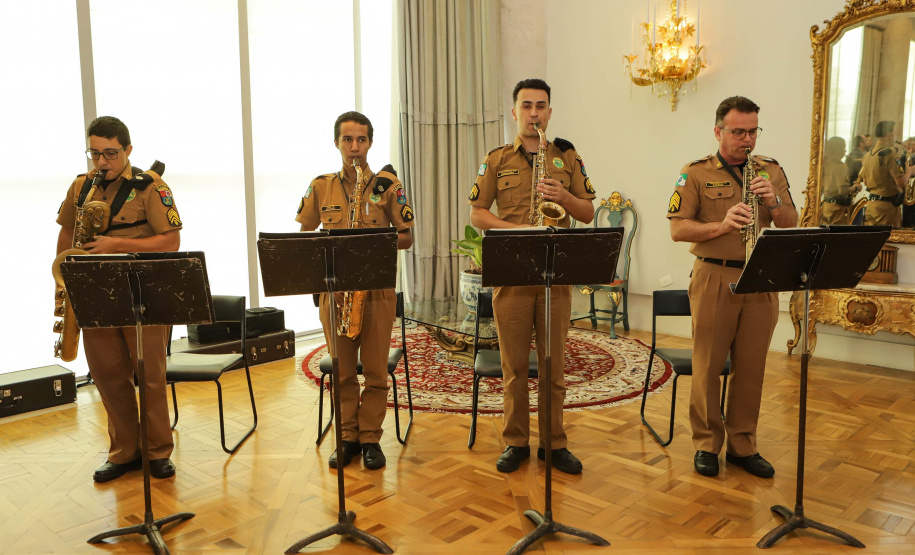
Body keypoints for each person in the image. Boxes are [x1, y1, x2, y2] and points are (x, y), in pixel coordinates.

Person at [469, 78, 596, 475]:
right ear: (514, 112)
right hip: (511, 273)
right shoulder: (496, 159)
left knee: (553, 367)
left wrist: (564, 197)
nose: (534, 113)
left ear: (550, 112)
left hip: (556, 274)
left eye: (541, 106)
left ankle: (554, 444)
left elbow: (587, 213)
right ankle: (516, 442)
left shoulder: (567, 156)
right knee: (514, 368)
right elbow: (477, 214)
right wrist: (518, 230)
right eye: (527, 106)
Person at [667, 96, 797, 478]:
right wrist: (722, 225)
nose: (747, 140)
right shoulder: (695, 172)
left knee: (752, 367)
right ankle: (707, 444)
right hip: (714, 275)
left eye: (753, 131)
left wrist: (774, 201)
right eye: (738, 132)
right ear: (718, 131)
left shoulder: (771, 170)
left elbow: (790, 222)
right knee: (707, 365)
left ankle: (743, 445)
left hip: (760, 276)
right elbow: (678, 229)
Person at [56, 116, 182, 482]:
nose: (102, 161)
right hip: (94, 295)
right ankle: (124, 451)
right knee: (108, 376)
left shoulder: (151, 186)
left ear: (127, 150)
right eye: (95, 153)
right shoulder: (81, 186)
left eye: (110, 153)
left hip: (142, 294)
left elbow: (171, 241)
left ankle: (158, 452)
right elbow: (67, 233)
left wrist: (116, 244)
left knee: (150, 377)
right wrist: (65, 277)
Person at [296, 111, 414, 470]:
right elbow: (304, 236)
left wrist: (373, 244)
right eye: (347, 139)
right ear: (337, 143)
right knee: (342, 371)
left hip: (376, 291)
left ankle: (370, 438)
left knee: (376, 372)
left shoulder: (388, 186)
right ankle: (347, 437)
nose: (354, 147)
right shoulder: (321, 186)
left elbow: (407, 237)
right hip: (336, 293)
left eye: (361, 140)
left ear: (370, 143)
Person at [862, 121, 915, 227]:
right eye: (894, 132)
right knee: (889, 237)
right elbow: (901, 182)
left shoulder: (867, 155)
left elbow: (866, 182)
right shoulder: (890, 154)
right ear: (889, 134)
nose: (895, 135)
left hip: (871, 205)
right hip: (886, 208)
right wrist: (910, 171)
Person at [821, 136, 859, 225]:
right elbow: (842, 190)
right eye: (843, 147)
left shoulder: (825, 164)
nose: (845, 151)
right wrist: (855, 188)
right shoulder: (840, 166)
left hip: (826, 206)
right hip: (837, 209)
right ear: (837, 149)